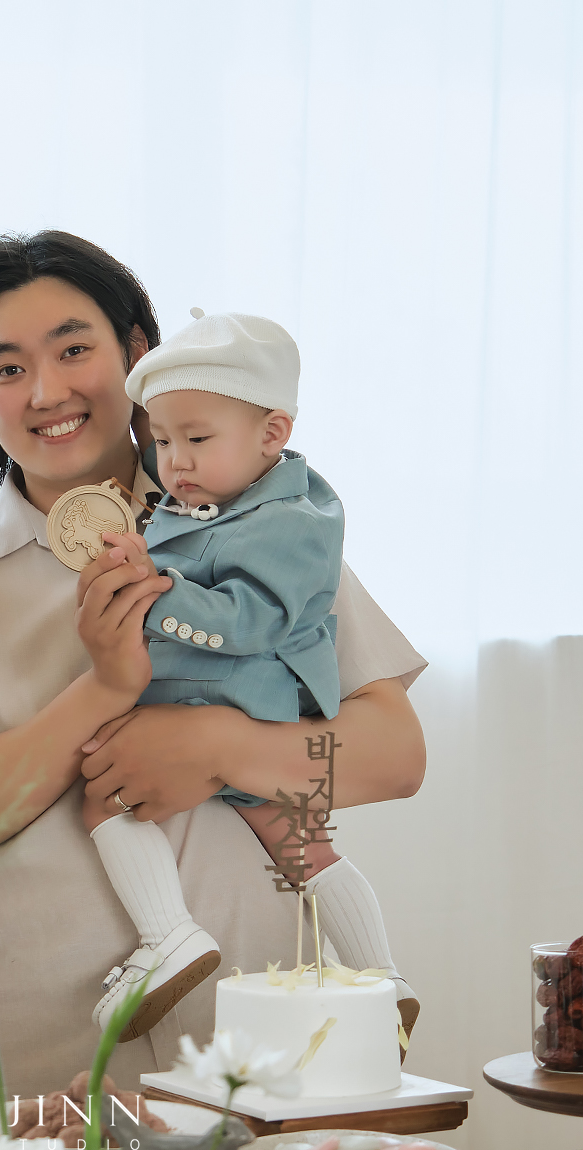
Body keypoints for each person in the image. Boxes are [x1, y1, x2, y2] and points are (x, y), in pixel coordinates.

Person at [0, 232, 427, 1105]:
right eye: (9, 369)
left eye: (74, 350)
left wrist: (217, 747)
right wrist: (105, 689)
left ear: (139, 356)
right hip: (48, 1065)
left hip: (271, 1054)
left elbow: (394, 755)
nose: (47, 391)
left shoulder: (262, 522)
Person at [80, 309, 413, 1042]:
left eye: (197, 440)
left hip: (236, 700)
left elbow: (249, 622)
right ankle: (381, 977)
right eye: (163, 441)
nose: (176, 461)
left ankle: (167, 935)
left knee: (105, 792)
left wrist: (153, 594)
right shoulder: (213, 503)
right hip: (247, 716)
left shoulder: (291, 521)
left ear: (272, 434)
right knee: (304, 847)